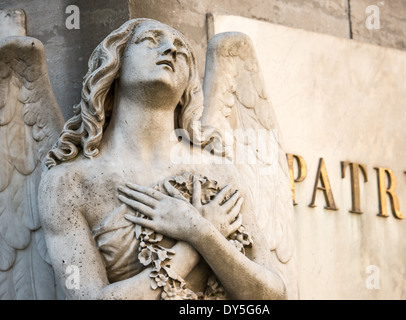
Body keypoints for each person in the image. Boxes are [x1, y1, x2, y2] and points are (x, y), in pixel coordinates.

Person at [38, 18, 287, 300]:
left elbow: (272, 296)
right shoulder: (69, 183)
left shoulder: (219, 172)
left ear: (188, 86)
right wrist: (195, 239)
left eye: (180, 49)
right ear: (114, 65)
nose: (170, 49)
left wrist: (200, 231)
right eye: (151, 41)